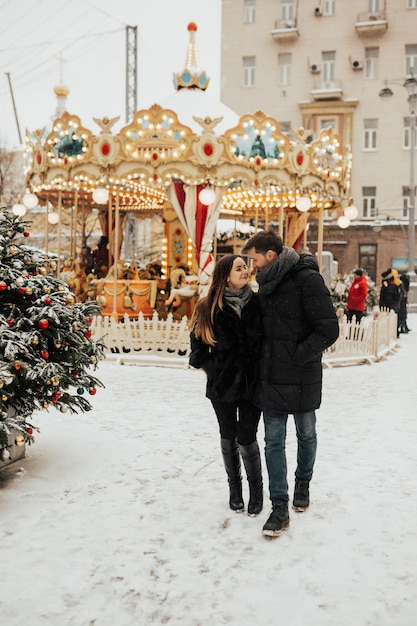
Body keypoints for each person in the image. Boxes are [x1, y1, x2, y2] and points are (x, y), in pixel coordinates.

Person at [241, 230, 339, 537]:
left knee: (306, 433)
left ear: (270, 256)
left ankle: (303, 483)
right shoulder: (264, 286)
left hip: (301, 375)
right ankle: (279, 506)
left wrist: (297, 355)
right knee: (273, 441)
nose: (251, 266)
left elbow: (328, 329)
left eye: (254, 259)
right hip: (271, 377)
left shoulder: (308, 281)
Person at [189, 254, 264, 517]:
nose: (245, 271)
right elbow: (196, 350)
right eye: (239, 268)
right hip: (223, 386)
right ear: (225, 275)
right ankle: (235, 490)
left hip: (253, 383)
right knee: (228, 435)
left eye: (246, 267)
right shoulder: (207, 306)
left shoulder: (258, 303)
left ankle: (256, 492)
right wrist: (215, 370)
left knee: (247, 436)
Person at [379, 268, 402, 337]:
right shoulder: (388, 285)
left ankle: (394, 333)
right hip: (387, 306)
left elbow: (391, 297)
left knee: (392, 321)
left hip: (391, 306)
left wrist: (386, 288)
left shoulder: (394, 285)